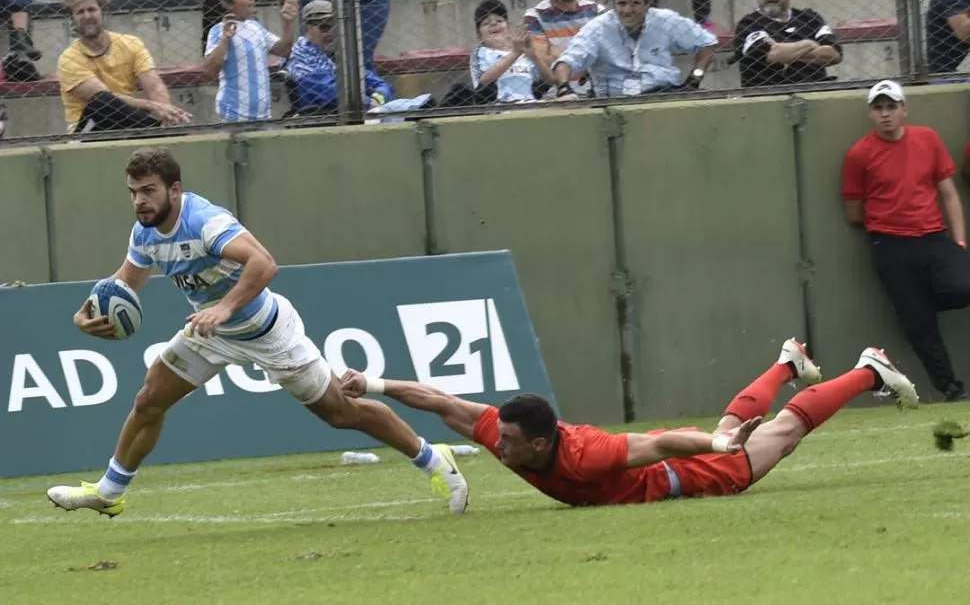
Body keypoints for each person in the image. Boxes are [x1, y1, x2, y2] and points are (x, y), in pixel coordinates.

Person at [46, 146, 469, 518]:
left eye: (149, 190)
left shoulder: (205, 221)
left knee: (342, 413)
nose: (139, 200)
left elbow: (264, 263)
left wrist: (224, 307)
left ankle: (434, 459)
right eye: (134, 192)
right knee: (149, 399)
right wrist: (84, 315)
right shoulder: (144, 233)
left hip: (267, 331)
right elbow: (126, 284)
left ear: (174, 190)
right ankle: (109, 492)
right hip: (209, 333)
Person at [339, 337, 918, 507]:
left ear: (541, 442)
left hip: (689, 476)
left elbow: (662, 441)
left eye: (510, 442)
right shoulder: (503, 431)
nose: (498, 448)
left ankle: (870, 371)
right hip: (687, 459)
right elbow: (441, 401)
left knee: (782, 435)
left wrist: (718, 447)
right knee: (746, 426)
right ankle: (787, 362)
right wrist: (377, 384)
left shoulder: (586, 454)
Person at [843, 80, 970, 402]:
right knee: (919, 324)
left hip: (933, 237)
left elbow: (949, 193)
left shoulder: (928, 139)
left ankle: (922, 301)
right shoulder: (859, 154)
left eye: (891, 107)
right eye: (878, 108)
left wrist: (959, 243)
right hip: (890, 246)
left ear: (904, 110)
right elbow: (854, 210)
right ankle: (950, 388)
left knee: (961, 287)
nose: (885, 114)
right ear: (871, 113)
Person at [551, 0, 716, 99]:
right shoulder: (598, 28)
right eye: (621, 4)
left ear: (647, 4)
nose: (628, 11)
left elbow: (706, 43)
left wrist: (694, 80)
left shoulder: (665, 20)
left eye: (635, 3)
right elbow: (567, 61)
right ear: (613, 3)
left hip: (663, 94)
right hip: (614, 99)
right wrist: (564, 87)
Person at [57, 0, 192, 134]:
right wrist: (153, 106)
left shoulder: (131, 43)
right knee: (101, 101)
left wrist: (166, 110)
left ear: (102, 12)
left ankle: (162, 131)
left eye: (92, 9)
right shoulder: (69, 59)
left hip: (128, 121)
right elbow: (104, 99)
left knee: (128, 109)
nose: (87, 16)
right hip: (90, 129)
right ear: (72, 19)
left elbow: (154, 85)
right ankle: (158, 133)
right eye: (80, 12)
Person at [201, 0, 298, 123]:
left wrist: (288, 23)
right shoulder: (219, 30)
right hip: (234, 114)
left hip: (262, 114)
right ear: (226, 3)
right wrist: (225, 39)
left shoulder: (255, 27)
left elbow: (284, 50)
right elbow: (210, 70)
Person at [732, 0, 842, 88]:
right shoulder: (749, 24)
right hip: (769, 96)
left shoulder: (810, 18)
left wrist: (784, 51)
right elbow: (774, 55)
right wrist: (808, 44)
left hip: (816, 92)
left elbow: (834, 55)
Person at [471, 0, 556, 104]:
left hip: (530, 102)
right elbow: (484, 80)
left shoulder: (522, 53)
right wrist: (515, 53)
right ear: (480, 37)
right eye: (486, 23)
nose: (493, 23)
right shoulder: (482, 52)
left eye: (499, 21)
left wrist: (533, 56)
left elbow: (550, 81)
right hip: (500, 105)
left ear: (508, 30)